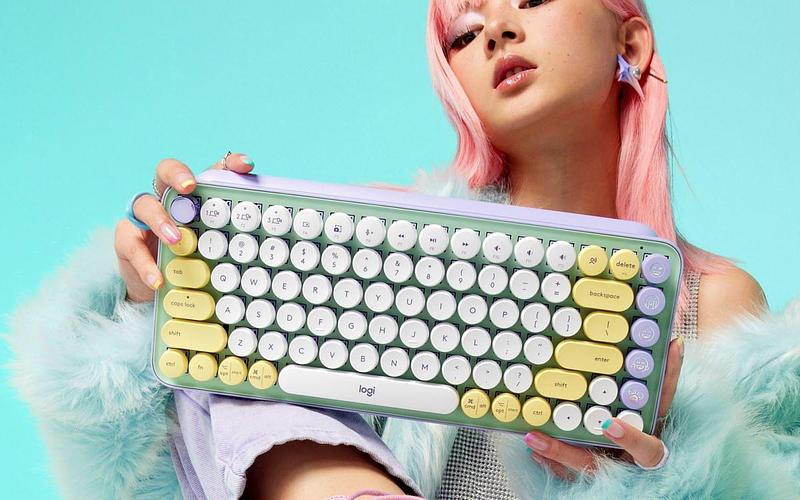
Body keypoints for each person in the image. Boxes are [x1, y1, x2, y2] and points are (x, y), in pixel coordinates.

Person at [8, 0, 787, 499]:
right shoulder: (379, 242)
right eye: (465, 33)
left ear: (631, 41)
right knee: (247, 304)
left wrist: (668, 478)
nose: (497, 31)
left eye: (531, 0)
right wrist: (166, 293)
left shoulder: (717, 305)